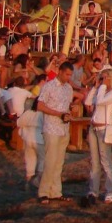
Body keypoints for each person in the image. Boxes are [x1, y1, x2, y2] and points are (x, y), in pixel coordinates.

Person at [35, 61, 75, 202]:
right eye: (67, 74)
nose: (68, 77)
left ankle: (56, 192)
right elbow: (40, 106)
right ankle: (43, 192)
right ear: (60, 72)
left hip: (64, 128)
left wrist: (69, 112)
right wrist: (59, 114)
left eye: (70, 75)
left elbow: (67, 106)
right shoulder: (49, 86)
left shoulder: (69, 88)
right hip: (51, 127)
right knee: (50, 161)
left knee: (59, 163)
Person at [83, 67, 112, 205]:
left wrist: (103, 86)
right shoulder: (101, 91)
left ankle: (110, 191)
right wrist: (95, 87)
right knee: (94, 162)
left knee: (106, 161)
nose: (103, 80)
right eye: (102, 77)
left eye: (105, 77)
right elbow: (88, 102)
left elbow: (100, 101)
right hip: (93, 128)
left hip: (104, 128)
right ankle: (93, 191)